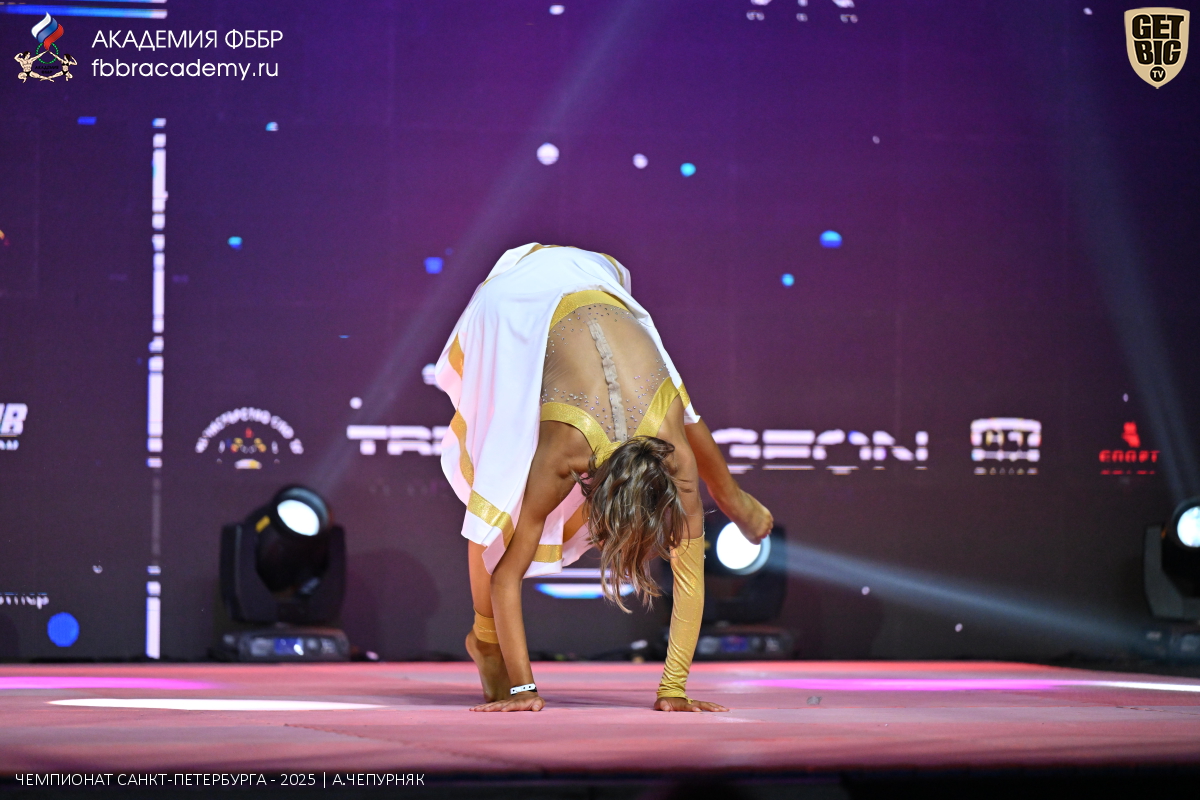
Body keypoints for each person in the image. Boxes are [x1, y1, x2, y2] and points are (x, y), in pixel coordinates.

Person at [434, 243, 773, 712]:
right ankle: (486, 642)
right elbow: (507, 575)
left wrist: (673, 688)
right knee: (495, 503)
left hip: (596, 277)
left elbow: (689, 577)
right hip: (514, 304)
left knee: (676, 402)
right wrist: (522, 690)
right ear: (586, 484)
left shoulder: (675, 457)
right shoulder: (563, 451)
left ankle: (734, 498)